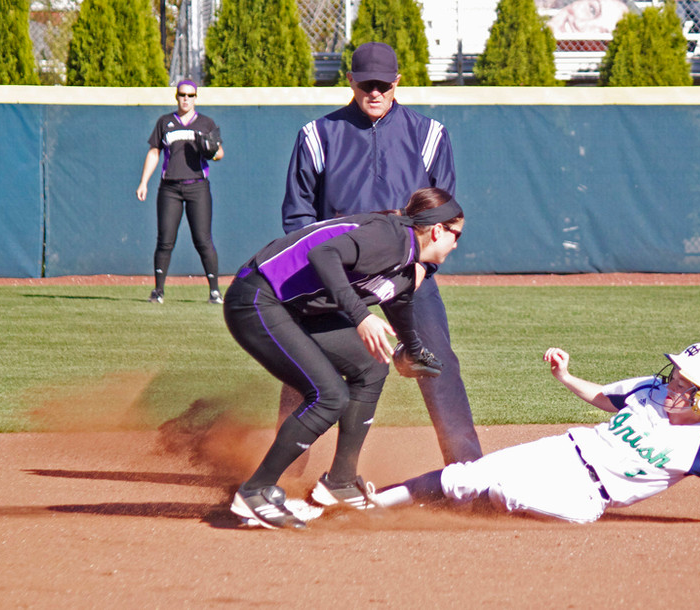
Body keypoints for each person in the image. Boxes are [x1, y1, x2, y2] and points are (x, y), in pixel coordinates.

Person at [370, 343, 700, 526]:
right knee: (464, 476)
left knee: (496, 489)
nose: (671, 380)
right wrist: (565, 377)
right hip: (563, 451)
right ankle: (366, 508)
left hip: (584, 497)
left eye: (684, 382)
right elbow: (602, 398)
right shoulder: (650, 390)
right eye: (675, 373)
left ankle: (461, 504)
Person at [278, 41, 483, 468]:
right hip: (338, 273)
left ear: (398, 82)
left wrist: (423, 266)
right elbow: (298, 213)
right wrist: (316, 271)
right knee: (307, 367)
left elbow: (442, 211)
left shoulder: (428, 135)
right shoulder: (318, 135)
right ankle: (285, 473)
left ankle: (467, 471)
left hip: (407, 272)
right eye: (366, 84)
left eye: (384, 85)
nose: (375, 93)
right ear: (350, 81)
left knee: (436, 363)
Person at [226, 187, 465, 530]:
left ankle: (340, 481)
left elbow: (398, 302)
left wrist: (412, 350)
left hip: (296, 308)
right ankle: (256, 490)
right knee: (328, 396)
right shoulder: (390, 237)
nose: (457, 244)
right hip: (258, 299)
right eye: (456, 234)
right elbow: (324, 255)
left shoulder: (407, 258)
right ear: (437, 229)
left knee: (372, 367)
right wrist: (360, 316)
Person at [136, 79, 225, 305]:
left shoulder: (205, 123)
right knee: (165, 240)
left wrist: (211, 151)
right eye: (182, 94)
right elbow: (154, 152)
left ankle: (215, 292)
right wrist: (144, 181)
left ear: (196, 97)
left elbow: (219, 153)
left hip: (197, 186)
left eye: (191, 95)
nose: (186, 98)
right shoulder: (165, 122)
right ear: (176, 96)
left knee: (203, 240)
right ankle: (158, 291)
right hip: (170, 187)